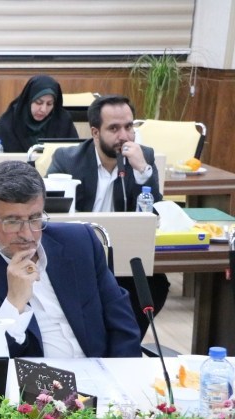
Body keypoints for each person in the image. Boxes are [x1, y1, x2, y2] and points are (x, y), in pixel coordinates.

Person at [0, 160, 141, 358]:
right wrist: (14, 303)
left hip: (99, 369)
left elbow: (122, 324)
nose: (27, 234)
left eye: (35, 218)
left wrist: (122, 374)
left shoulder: (80, 242)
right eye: (13, 221)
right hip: (29, 378)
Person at [46, 94, 169, 338]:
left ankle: (126, 342)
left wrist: (143, 171)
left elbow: (154, 213)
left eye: (129, 127)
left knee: (156, 285)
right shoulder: (67, 160)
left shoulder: (143, 157)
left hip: (126, 257)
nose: (124, 136)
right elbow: (50, 214)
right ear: (95, 132)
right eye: (114, 128)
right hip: (79, 255)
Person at [0, 74, 79, 153]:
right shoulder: (11, 119)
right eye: (38, 102)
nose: (43, 109)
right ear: (28, 99)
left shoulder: (62, 120)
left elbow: (75, 152)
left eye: (49, 104)